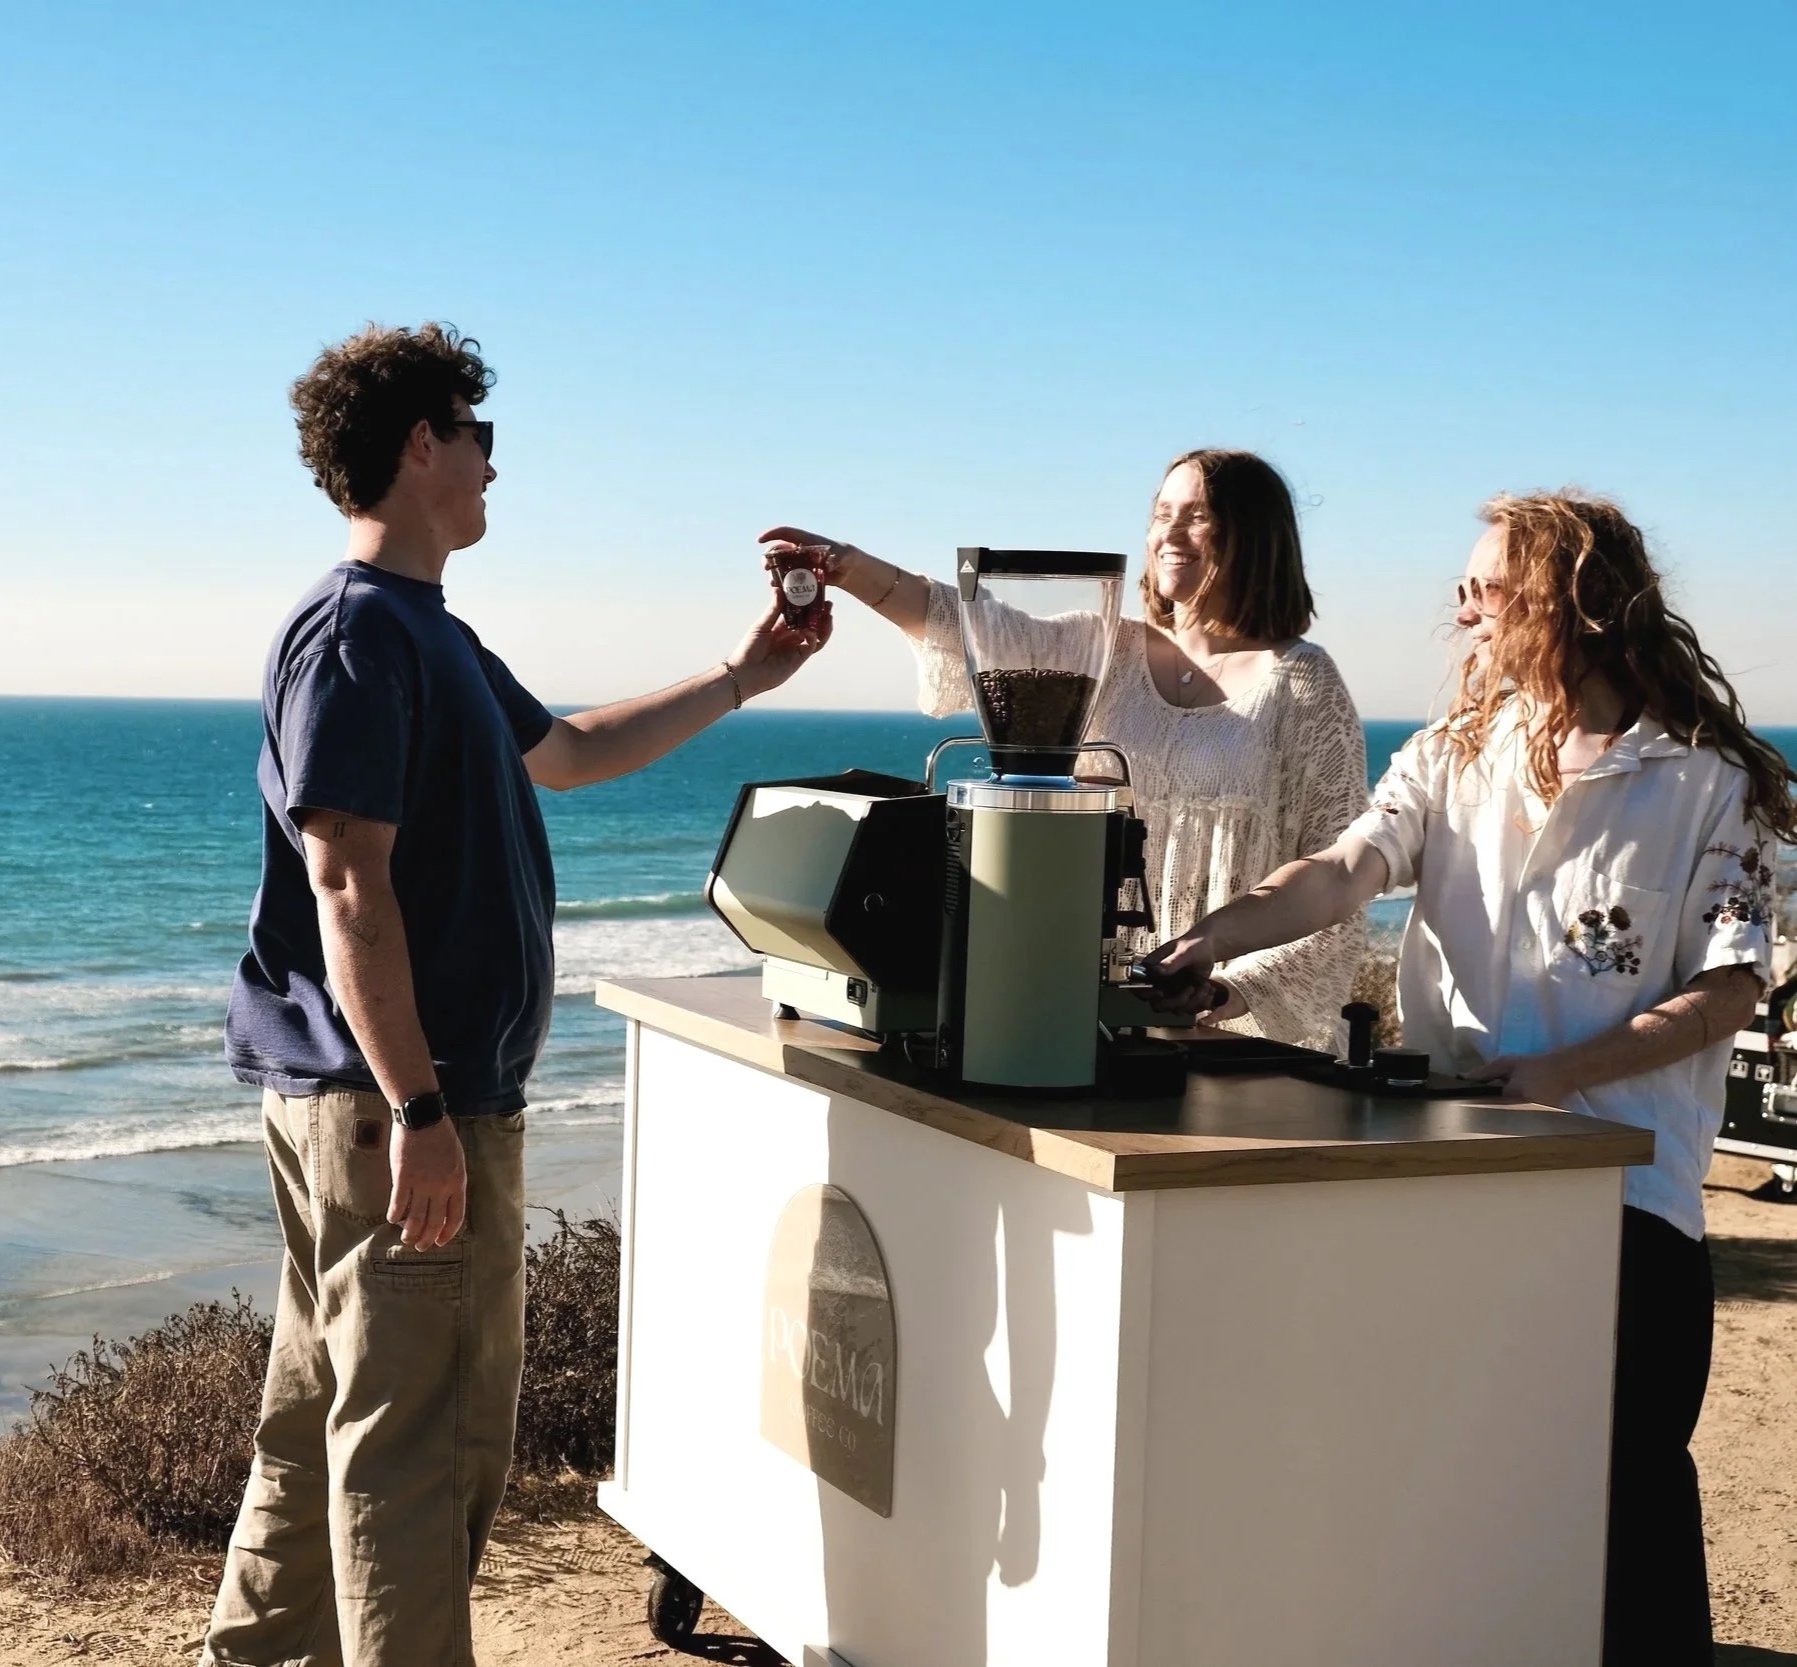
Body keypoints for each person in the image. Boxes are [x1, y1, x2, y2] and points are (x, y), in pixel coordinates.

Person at [205, 322, 829, 1667]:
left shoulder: (428, 633)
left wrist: (744, 674)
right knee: (425, 1457)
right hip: (396, 1106)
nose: (494, 468)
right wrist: (420, 1103)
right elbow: (348, 882)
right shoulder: (357, 634)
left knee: (325, 1428)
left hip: (376, 1100)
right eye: (481, 439)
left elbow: (569, 750)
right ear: (424, 444)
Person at [1145, 489, 1797, 1665]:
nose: (1460, 611)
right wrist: (1214, 938)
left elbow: (1731, 988)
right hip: (1444, 1179)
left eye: (1483, 588)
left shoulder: (1711, 784)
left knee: (1627, 1497)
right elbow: (1344, 867)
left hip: (1625, 1203)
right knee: (1440, 1491)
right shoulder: (1452, 753)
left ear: (1566, 600)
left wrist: (1560, 1076)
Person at [761, 448, 1367, 1049]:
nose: (1171, 534)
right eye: (1162, 514)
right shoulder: (1105, 649)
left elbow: (1340, 886)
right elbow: (972, 624)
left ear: (1256, 536)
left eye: (1198, 516)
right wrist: (847, 566)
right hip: (1081, 1017)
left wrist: (1224, 992)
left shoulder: (1303, 685)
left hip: (1234, 1042)